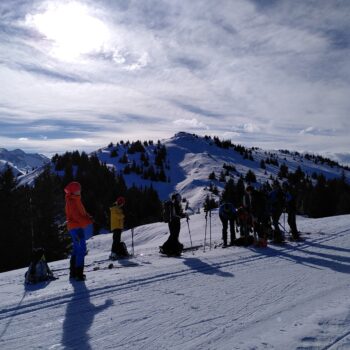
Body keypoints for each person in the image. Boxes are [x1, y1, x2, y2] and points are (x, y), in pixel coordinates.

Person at [64, 181, 93, 281]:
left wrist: (88, 216)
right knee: (81, 249)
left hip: (75, 227)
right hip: (76, 228)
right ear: (72, 191)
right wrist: (88, 220)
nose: (79, 191)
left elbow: (81, 212)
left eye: (79, 189)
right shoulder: (72, 201)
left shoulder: (75, 199)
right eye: (77, 190)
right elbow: (77, 216)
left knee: (77, 249)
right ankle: (79, 274)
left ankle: (73, 273)